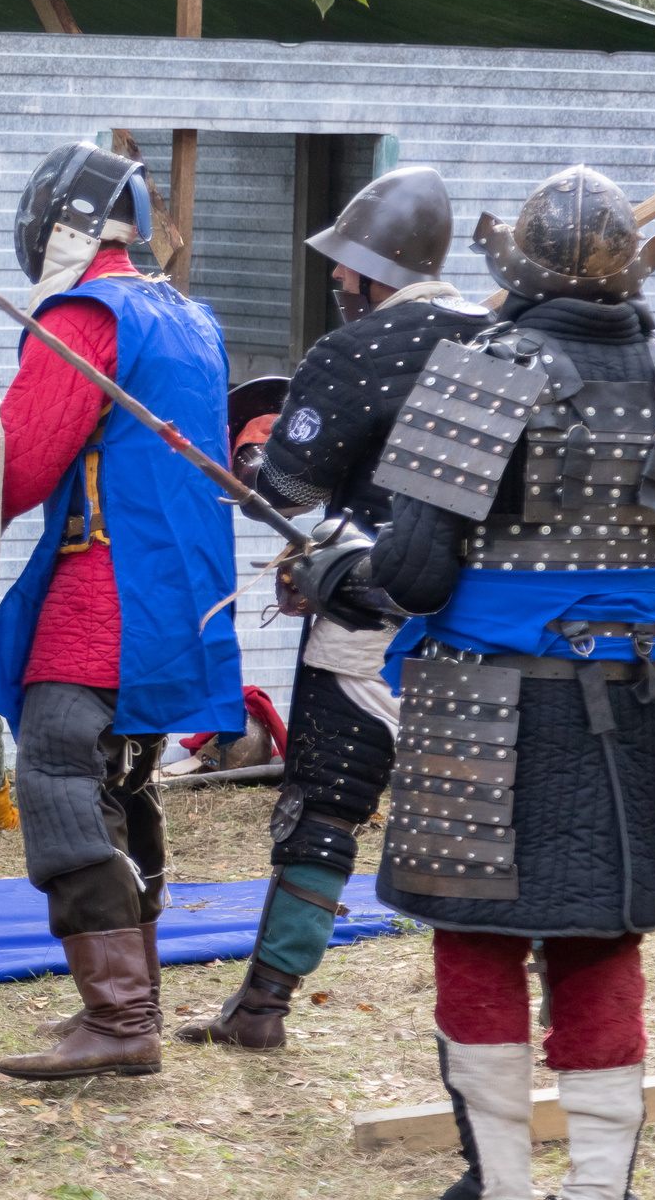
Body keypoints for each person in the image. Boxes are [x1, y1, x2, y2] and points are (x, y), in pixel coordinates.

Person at [306, 167, 655, 1200]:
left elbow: (413, 576)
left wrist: (337, 570)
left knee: (476, 947)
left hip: (483, 704)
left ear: (512, 269)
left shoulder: (480, 371)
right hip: (635, 699)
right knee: (601, 942)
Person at [177, 166, 489, 1049]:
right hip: (485, 623)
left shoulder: (357, 354)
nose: (338, 282)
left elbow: (286, 484)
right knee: (487, 812)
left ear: (372, 265)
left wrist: (252, 470)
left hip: (372, 619)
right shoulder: (501, 338)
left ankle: (264, 1004)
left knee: (323, 805)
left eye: (346, 268)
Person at [0, 142, 242, 1082]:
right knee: (124, 780)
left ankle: (121, 1016)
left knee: (55, 769)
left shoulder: (85, 313)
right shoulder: (189, 315)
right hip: (179, 590)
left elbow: (22, 463)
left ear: (63, 224)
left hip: (108, 587)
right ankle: (134, 1007)